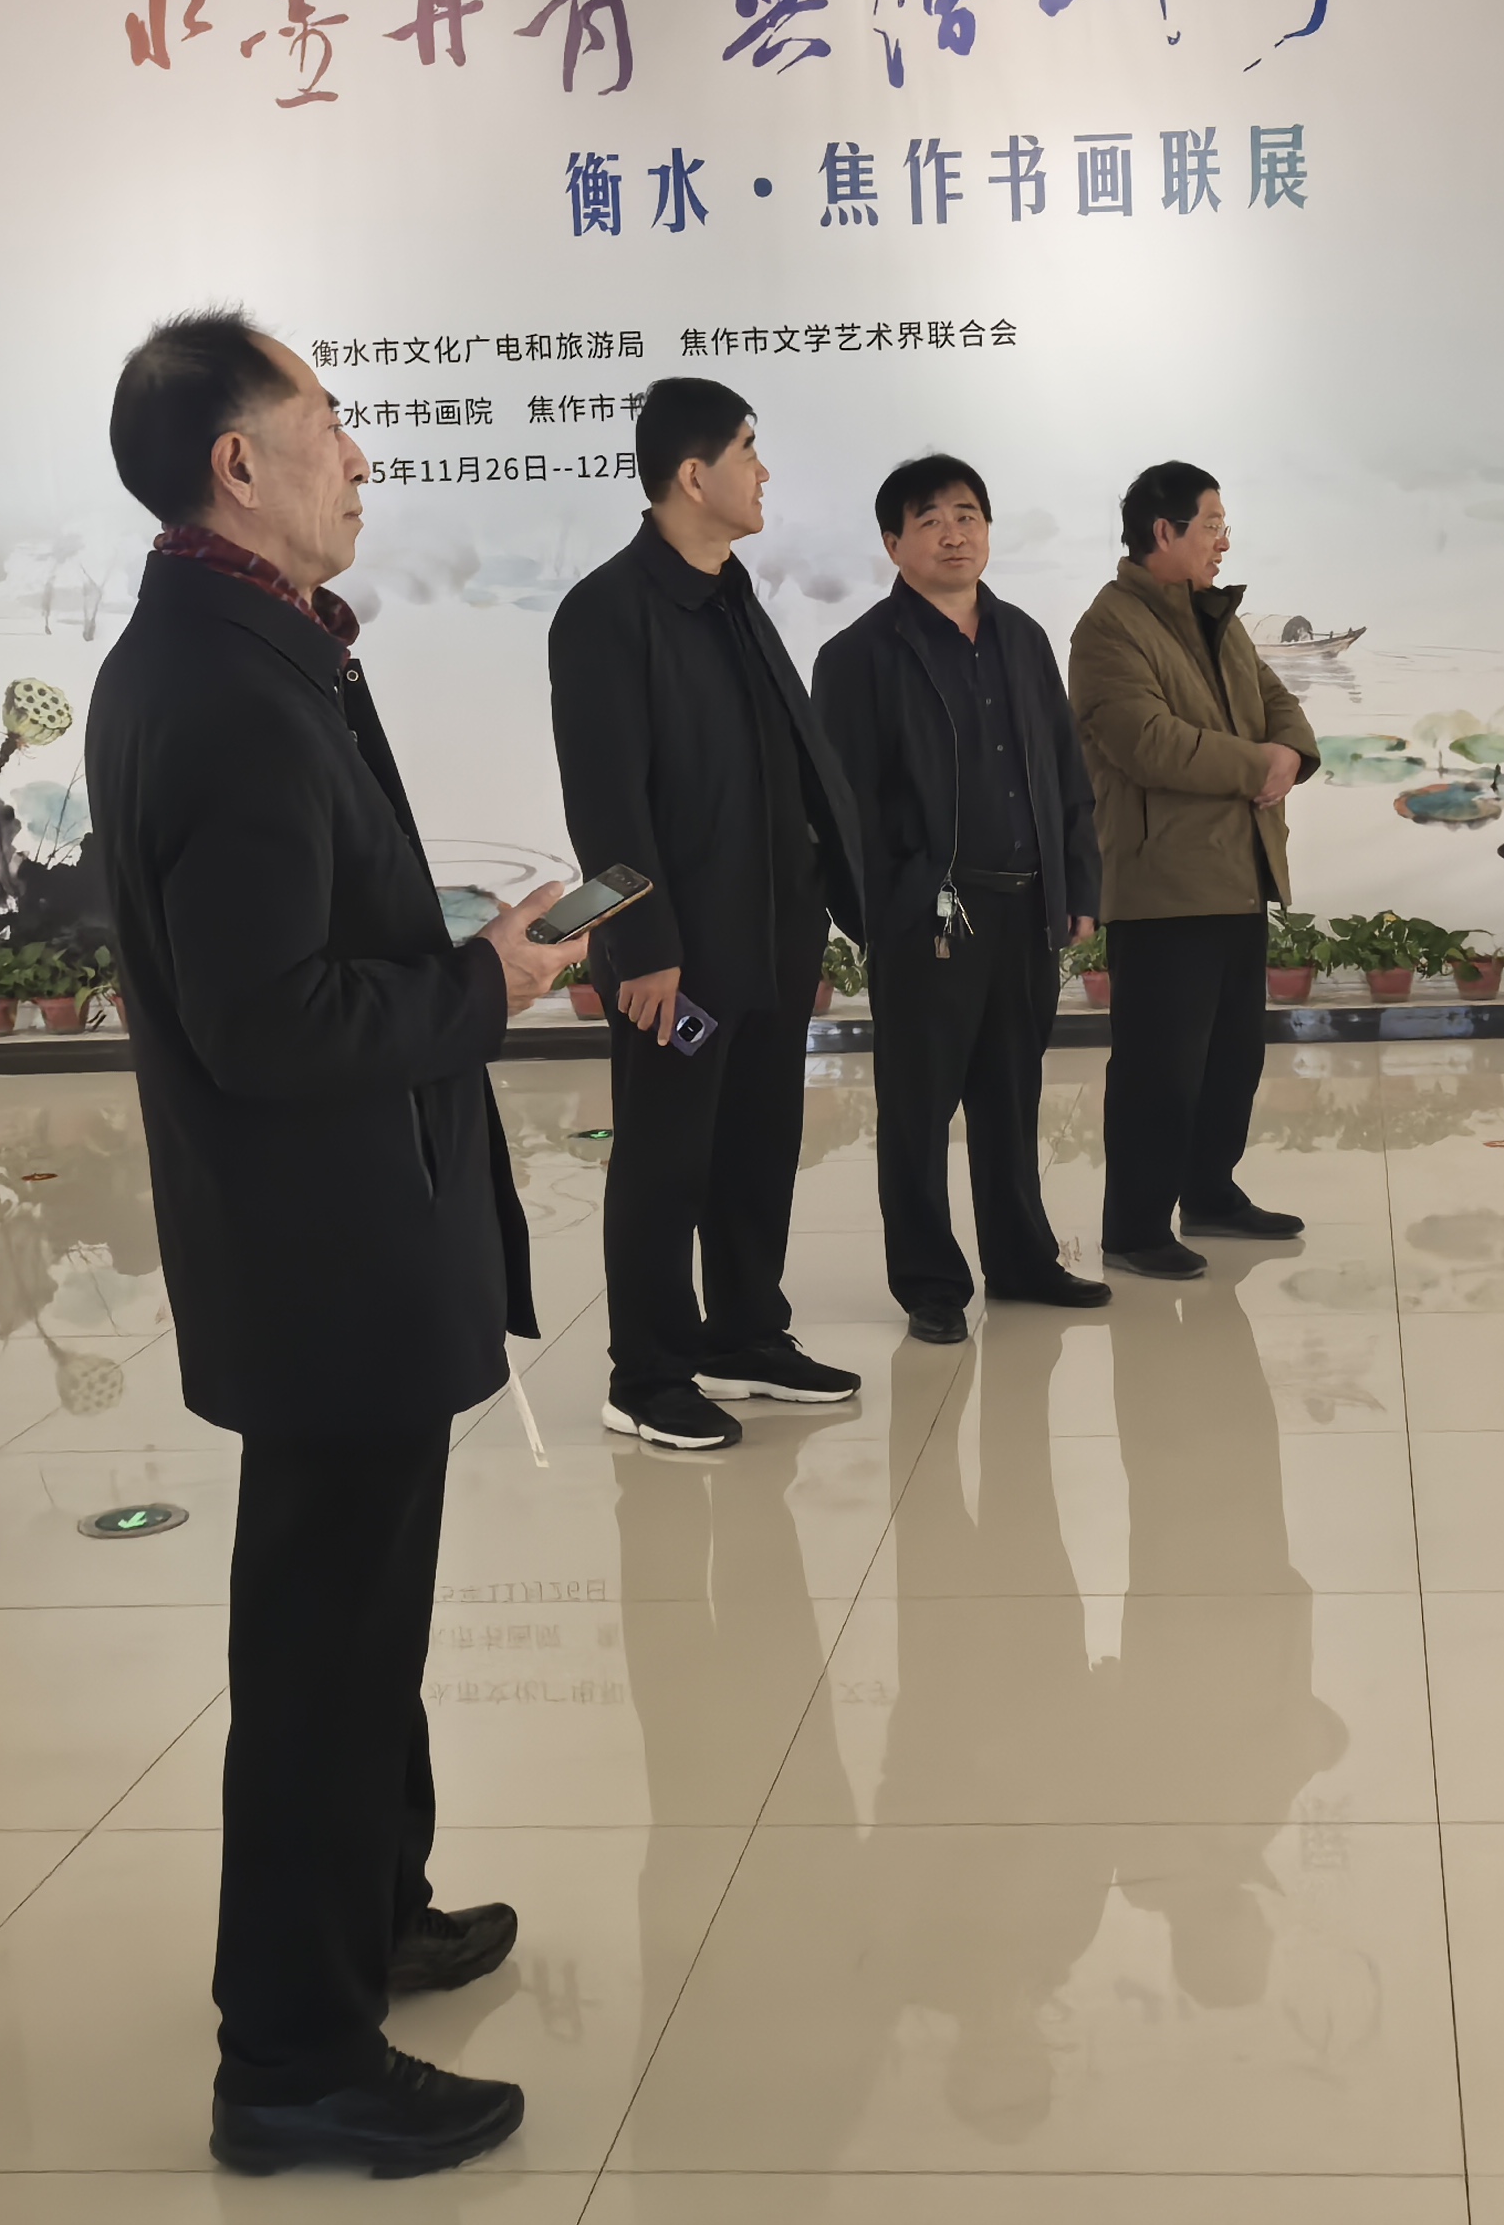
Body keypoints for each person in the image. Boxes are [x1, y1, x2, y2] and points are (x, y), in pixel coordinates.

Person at [85, 309, 586, 2179]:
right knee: (321, 1644)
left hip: (343, 1231)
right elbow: (269, 1022)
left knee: (360, 1623)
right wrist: (484, 984)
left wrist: (464, 955)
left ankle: (373, 1913)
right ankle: (291, 2054)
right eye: (331, 425)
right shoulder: (225, 689)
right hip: (326, 1249)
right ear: (240, 463)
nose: (361, 458)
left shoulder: (252, 647)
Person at [549, 377, 872, 1449]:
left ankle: (743, 1334)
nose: (763, 472)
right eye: (747, 451)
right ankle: (644, 1374)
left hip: (769, 939)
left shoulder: (731, 595)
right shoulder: (606, 612)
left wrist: (828, 905)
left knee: (758, 1148)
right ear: (693, 475)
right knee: (664, 1157)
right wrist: (642, 946)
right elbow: (604, 804)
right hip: (675, 959)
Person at [811, 455, 1111, 1344]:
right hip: (930, 918)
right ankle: (930, 1283)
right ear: (893, 543)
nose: (954, 533)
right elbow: (840, 809)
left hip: (1024, 906)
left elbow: (1064, 773)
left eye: (968, 514)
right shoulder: (858, 655)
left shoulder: (1022, 636)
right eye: (931, 519)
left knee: (1011, 1096)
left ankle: (1022, 1261)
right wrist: (886, 912)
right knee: (919, 1107)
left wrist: (1077, 882)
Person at [1065, 461, 1321, 1278]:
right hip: (1162, 881)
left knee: (1232, 1057)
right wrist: (1257, 767)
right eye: (1210, 524)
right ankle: (1134, 1227)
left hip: (1238, 869)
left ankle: (1210, 1193)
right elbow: (1146, 742)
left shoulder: (1217, 617)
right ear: (1163, 532)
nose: (1223, 540)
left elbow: (1277, 701)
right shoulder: (1107, 628)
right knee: (1159, 1067)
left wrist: (1290, 752)